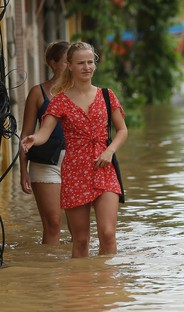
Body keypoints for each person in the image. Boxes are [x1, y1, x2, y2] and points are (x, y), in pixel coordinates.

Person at [21, 41, 127, 258]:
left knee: (108, 233)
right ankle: (81, 287)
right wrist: (33, 139)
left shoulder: (107, 95)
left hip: (104, 168)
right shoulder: (59, 100)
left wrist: (109, 151)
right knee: (80, 240)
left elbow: (122, 130)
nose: (87, 67)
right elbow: (45, 132)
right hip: (75, 172)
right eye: (81, 63)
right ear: (69, 65)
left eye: (90, 62)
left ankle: (108, 285)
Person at [19, 41, 70, 245]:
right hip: (44, 163)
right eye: (67, 61)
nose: (71, 66)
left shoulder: (80, 92)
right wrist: (23, 171)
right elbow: (26, 134)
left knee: (78, 227)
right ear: (53, 63)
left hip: (76, 161)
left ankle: (80, 273)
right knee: (53, 224)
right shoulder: (37, 93)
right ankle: (51, 271)